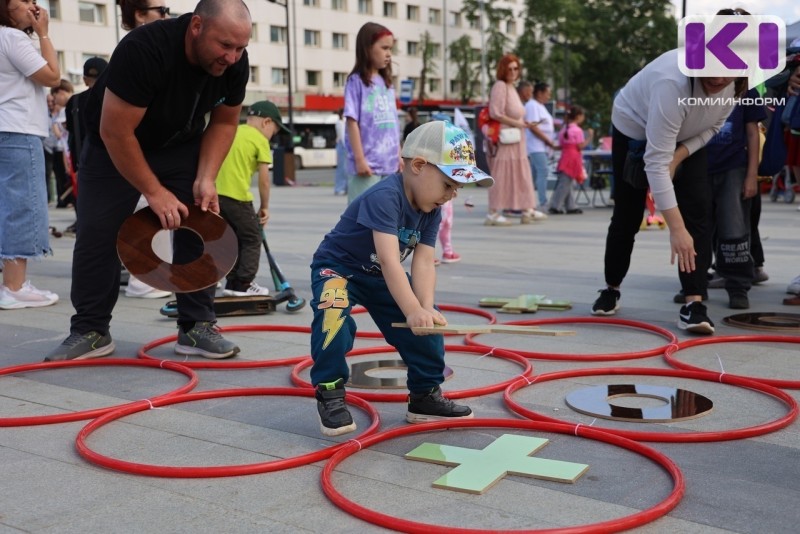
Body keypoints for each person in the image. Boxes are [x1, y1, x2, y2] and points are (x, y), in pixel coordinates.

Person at [45, 0, 251, 361]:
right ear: (197, 26)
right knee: (98, 231)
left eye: (240, 48)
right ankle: (91, 330)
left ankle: (196, 327)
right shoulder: (144, 49)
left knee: (197, 218)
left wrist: (206, 177)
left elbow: (224, 122)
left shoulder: (234, 63)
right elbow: (116, 131)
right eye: (225, 46)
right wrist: (154, 192)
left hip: (179, 143)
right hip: (114, 142)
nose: (232, 57)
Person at [309, 121, 490, 436]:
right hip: (338, 269)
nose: (453, 195)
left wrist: (425, 307)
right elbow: (393, 262)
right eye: (449, 184)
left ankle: (424, 396)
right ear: (419, 166)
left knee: (426, 327)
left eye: (458, 188)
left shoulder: (431, 209)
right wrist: (411, 309)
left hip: (377, 275)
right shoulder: (385, 197)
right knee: (332, 316)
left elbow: (423, 261)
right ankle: (330, 392)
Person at [591, 47, 740, 335]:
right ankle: (611, 288)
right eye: (713, 69)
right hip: (634, 127)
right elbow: (656, 164)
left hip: (689, 138)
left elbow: (714, 127)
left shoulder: (736, 83)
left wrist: (680, 154)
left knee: (699, 213)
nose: (720, 77)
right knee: (628, 213)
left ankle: (694, 304)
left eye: (729, 72)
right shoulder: (671, 82)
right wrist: (675, 228)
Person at [0, 0, 61, 309]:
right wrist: (44, 34)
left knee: (5, 206)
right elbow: (52, 75)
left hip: (4, 129)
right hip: (19, 129)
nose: (32, 5)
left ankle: (10, 282)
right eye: (22, 1)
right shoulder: (11, 37)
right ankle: (14, 286)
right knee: (22, 207)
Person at [114, 0, 174, 299]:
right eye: (161, 10)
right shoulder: (137, 52)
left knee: (151, 210)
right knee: (150, 210)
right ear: (139, 14)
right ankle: (144, 280)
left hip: (145, 148)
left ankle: (148, 277)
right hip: (139, 149)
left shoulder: (145, 49)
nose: (167, 16)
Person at [216, 100, 290, 297]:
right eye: (274, 130)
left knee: (234, 239)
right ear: (266, 122)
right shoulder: (260, 140)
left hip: (215, 195)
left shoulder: (232, 131)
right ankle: (243, 283)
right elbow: (264, 180)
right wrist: (265, 207)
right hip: (237, 196)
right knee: (252, 238)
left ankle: (231, 282)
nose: (272, 135)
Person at [704, 86, 766, 310]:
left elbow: (753, 133)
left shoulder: (746, 91)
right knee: (697, 228)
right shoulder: (693, 87)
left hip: (734, 168)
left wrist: (751, 175)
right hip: (698, 168)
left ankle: (738, 287)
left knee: (735, 228)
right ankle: (694, 285)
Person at [343, 22, 401, 204]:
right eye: (384, 48)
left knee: (385, 218)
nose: (388, 54)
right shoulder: (356, 82)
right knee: (360, 219)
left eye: (390, 48)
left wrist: (398, 155)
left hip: (389, 165)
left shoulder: (387, 84)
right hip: (367, 166)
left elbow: (393, 125)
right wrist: (360, 159)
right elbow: (352, 122)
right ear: (367, 48)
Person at [485, 54, 545, 226]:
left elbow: (513, 113)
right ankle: (493, 212)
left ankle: (527, 208)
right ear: (503, 69)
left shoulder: (511, 87)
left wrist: (523, 123)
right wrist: (519, 124)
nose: (513, 71)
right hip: (505, 139)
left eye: (515, 68)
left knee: (521, 174)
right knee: (502, 174)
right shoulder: (500, 86)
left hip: (516, 138)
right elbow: (495, 112)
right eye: (509, 68)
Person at [63, 56, 107, 237]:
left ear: (84, 79)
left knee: (85, 204)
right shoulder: (116, 98)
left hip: (82, 159)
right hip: (111, 160)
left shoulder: (74, 102)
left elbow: (72, 130)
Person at [549, 105, 592, 215]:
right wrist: (590, 137)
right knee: (565, 183)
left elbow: (561, 145)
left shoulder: (564, 129)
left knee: (567, 182)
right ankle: (555, 206)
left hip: (565, 156)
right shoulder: (577, 130)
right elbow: (580, 146)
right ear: (578, 116)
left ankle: (570, 206)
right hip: (574, 157)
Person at [522, 81, 557, 208]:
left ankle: (526, 200)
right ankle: (542, 201)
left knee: (533, 174)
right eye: (547, 93)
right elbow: (533, 127)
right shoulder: (532, 106)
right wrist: (548, 141)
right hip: (535, 145)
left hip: (541, 146)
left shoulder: (540, 106)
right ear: (539, 93)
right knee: (543, 171)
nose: (549, 96)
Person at [333, 107, 347, 196]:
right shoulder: (340, 123)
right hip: (343, 147)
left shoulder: (344, 123)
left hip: (344, 146)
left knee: (346, 169)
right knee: (342, 168)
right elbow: (342, 137)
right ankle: (339, 188)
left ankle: (344, 187)